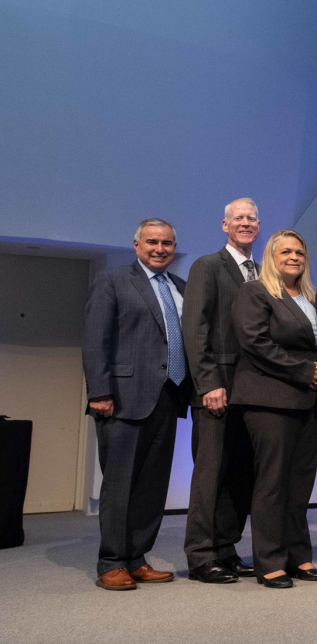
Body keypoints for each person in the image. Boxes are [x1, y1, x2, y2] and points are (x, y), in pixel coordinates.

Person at [83, 218, 191, 590]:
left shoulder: (180, 287)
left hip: (169, 397)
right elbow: (96, 340)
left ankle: (136, 557)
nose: (160, 248)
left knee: (151, 486)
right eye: (152, 242)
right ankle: (110, 561)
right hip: (122, 400)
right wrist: (99, 392)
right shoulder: (112, 280)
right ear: (136, 245)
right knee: (120, 485)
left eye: (167, 243)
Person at [230, 230, 317, 589]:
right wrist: (307, 371)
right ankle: (270, 561)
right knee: (272, 483)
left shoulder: (309, 297)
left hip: (308, 399)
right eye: (285, 251)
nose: (294, 257)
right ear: (271, 257)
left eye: (300, 252)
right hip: (269, 400)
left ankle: (298, 556)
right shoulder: (254, 293)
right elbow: (255, 343)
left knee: (300, 482)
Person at [181, 198, 260, 584]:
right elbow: (195, 329)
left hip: (253, 392)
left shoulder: (261, 272)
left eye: (251, 219)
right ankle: (200, 556)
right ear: (224, 225)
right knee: (209, 476)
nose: (245, 224)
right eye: (238, 219)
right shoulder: (208, 267)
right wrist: (208, 383)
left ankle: (226, 550)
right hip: (217, 389)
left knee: (241, 475)